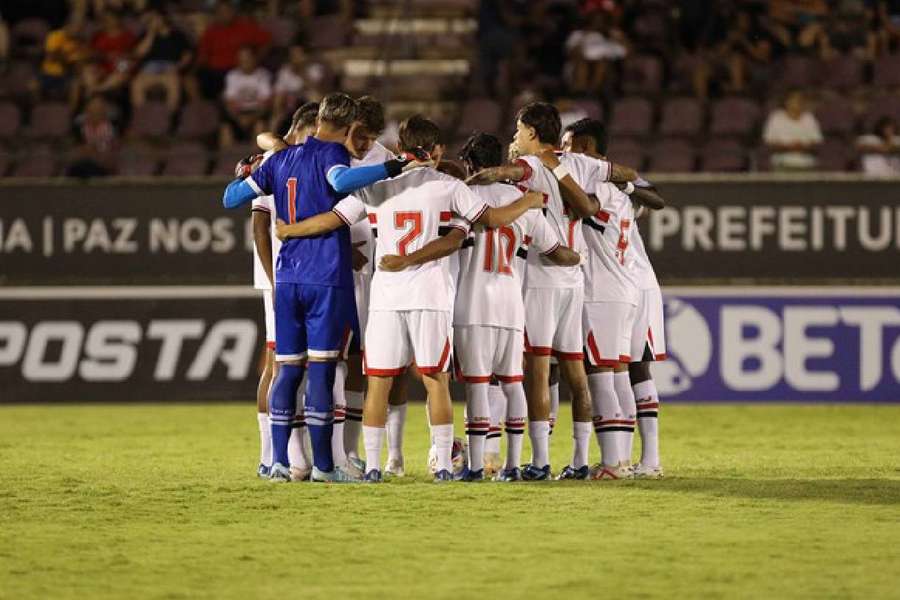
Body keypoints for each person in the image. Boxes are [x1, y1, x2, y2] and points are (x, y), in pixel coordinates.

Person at [274, 115, 544, 483]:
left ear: (400, 149)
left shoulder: (378, 188)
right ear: (436, 150)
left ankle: (372, 466)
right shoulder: (448, 187)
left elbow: (330, 220)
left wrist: (289, 229)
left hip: (386, 296)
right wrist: (529, 201)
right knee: (436, 380)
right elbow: (493, 218)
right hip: (431, 296)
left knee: (379, 384)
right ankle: (445, 468)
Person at [222, 93, 425, 483]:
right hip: (325, 277)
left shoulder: (278, 159)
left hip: (287, 277)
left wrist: (247, 171)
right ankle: (324, 466)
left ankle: (278, 462)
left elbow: (230, 197)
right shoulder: (334, 156)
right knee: (320, 371)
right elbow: (341, 181)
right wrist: (394, 165)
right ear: (347, 127)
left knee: (287, 371)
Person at [466, 102, 635, 481]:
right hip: (575, 278)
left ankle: (539, 460)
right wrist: (618, 183)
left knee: (538, 370)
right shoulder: (582, 163)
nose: (515, 137)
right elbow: (627, 172)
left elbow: (514, 171)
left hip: (543, 276)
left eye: (518, 131)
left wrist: (488, 173)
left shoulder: (534, 165)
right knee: (577, 371)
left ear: (531, 132)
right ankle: (578, 459)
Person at [456, 132, 581, 481]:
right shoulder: (524, 201)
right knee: (513, 383)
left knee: (478, 385)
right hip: (512, 304)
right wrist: (579, 257)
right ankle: (512, 464)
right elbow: (557, 251)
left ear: (470, 163)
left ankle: (477, 466)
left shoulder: (462, 196)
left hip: (473, 302)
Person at [562, 117, 668, 479]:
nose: (563, 150)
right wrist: (625, 186)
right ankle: (637, 459)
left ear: (586, 146)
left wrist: (620, 184)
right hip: (631, 282)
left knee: (615, 370)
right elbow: (652, 199)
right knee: (627, 368)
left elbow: (655, 198)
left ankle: (626, 460)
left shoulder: (600, 184)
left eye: (568, 143)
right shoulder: (609, 183)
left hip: (621, 283)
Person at [247, 102, 320, 481]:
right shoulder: (271, 162)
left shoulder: (297, 159)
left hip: (302, 274)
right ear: (304, 128)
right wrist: (273, 281)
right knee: (278, 365)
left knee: (299, 366)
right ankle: (269, 455)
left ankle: (294, 453)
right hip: (279, 277)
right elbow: (259, 225)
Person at [194, 2, 270, 99]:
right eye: (220, 12)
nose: (224, 15)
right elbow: (203, 54)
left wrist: (257, 59)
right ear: (216, 14)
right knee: (201, 77)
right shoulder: (210, 31)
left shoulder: (245, 27)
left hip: (239, 68)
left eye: (227, 11)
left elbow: (267, 41)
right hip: (216, 71)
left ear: (233, 12)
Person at [130, 10, 193, 112]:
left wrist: (178, 67)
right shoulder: (146, 35)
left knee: (173, 84)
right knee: (136, 84)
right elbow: (138, 54)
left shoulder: (177, 35)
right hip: (149, 69)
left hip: (169, 68)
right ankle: (141, 117)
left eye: (155, 18)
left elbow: (187, 56)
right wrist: (151, 33)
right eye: (151, 20)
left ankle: (168, 117)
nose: (153, 21)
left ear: (163, 19)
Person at [221, 47, 272, 147]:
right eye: (241, 58)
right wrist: (239, 118)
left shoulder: (263, 75)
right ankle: (227, 160)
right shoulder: (232, 76)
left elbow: (265, 104)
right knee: (225, 129)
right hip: (238, 114)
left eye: (247, 58)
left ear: (254, 58)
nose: (244, 61)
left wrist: (251, 118)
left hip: (257, 113)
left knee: (260, 127)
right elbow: (229, 103)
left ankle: (255, 160)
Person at [762, 90, 824, 171]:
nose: (797, 103)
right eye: (793, 100)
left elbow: (817, 142)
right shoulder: (776, 117)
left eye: (800, 100)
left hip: (807, 164)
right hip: (782, 163)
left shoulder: (809, 118)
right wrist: (788, 147)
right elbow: (769, 142)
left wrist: (801, 147)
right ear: (786, 102)